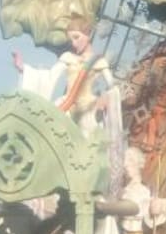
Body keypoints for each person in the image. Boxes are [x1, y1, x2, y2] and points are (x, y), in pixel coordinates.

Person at [13, 12, 123, 194]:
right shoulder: (67, 58)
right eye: (71, 38)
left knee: (89, 151)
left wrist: (106, 98)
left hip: (88, 110)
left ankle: (88, 189)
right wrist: (24, 69)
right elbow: (48, 77)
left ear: (88, 35)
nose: (73, 42)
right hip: (67, 109)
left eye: (76, 37)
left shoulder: (99, 61)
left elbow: (113, 87)